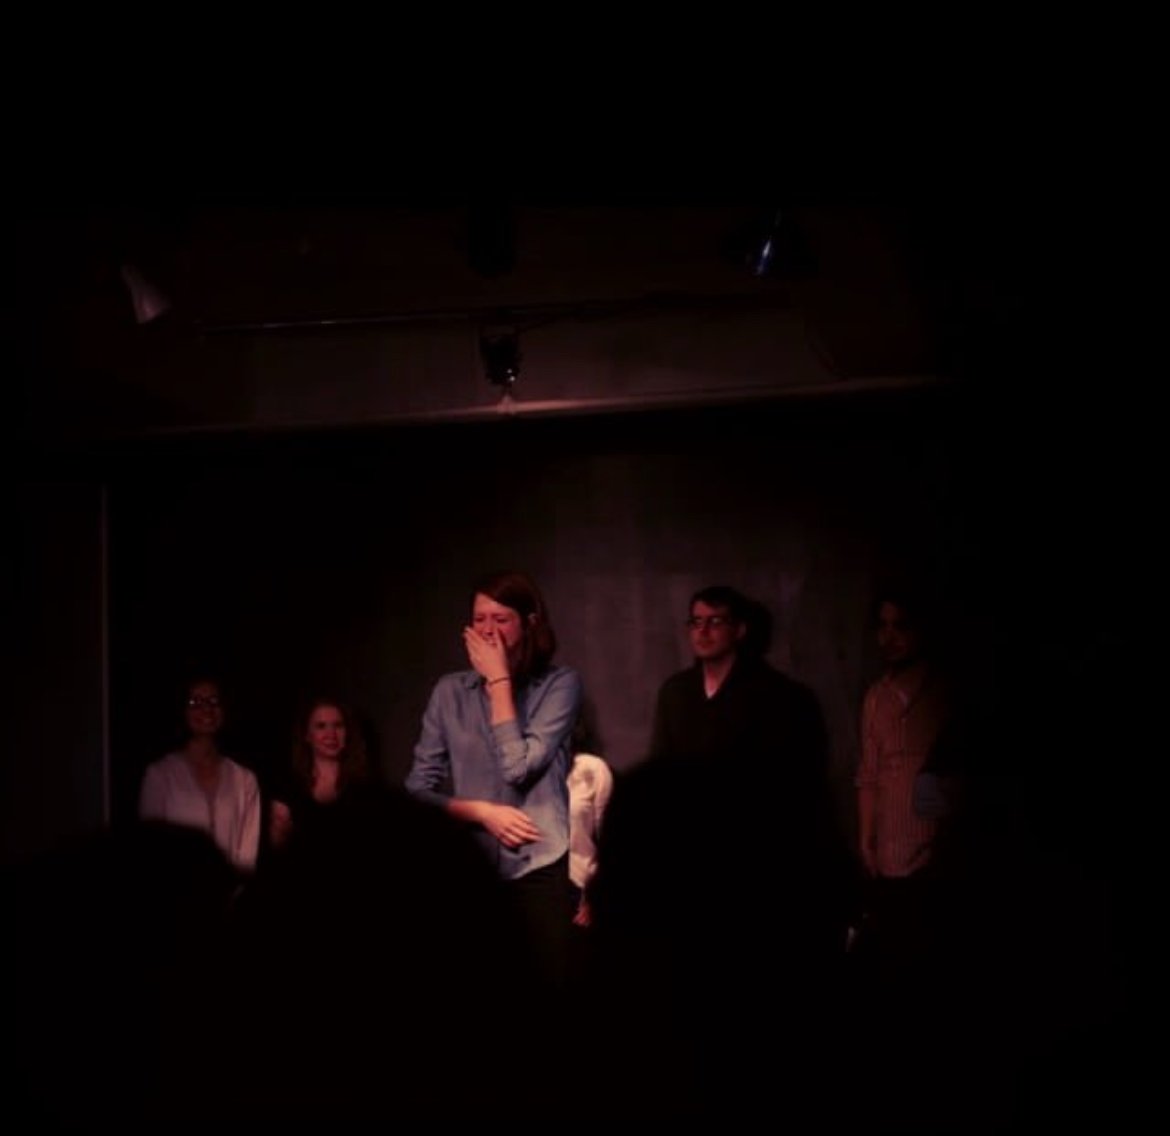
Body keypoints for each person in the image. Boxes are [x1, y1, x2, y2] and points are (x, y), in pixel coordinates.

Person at [405, 570, 582, 988]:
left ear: (529, 623)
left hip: (539, 865)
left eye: (500, 619)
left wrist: (499, 681)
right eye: (479, 619)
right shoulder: (449, 692)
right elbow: (417, 789)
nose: (488, 630)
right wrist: (480, 812)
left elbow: (516, 768)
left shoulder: (559, 685)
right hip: (475, 868)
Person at [138, 676, 261, 873]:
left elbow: (246, 857)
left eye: (214, 701)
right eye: (195, 702)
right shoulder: (160, 775)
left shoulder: (244, 780)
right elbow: (151, 845)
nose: (206, 709)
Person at [268, 697, 370, 850]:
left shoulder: (364, 786)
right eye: (321, 726)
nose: (331, 734)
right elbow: (274, 847)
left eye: (338, 725)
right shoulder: (288, 785)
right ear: (307, 735)